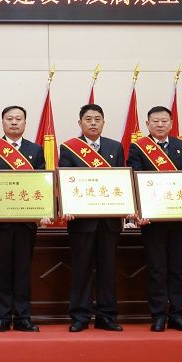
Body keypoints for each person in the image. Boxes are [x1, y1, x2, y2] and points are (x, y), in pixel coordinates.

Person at [0, 105, 49, 332]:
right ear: (2, 122)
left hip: (26, 222)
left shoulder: (35, 149)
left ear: (25, 123)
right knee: (2, 270)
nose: (13, 122)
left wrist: (44, 211)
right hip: (0, 222)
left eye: (18, 119)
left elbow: (42, 183)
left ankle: (22, 317)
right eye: (9, 119)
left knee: (22, 270)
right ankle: (1, 317)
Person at [58, 104, 125, 332]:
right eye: (88, 119)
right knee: (81, 269)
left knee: (108, 269)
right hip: (81, 222)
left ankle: (107, 316)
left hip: (109, 221)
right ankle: (80, 316)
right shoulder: (69, 148)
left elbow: (121, 182)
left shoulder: (115, 147)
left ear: (104, 122)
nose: (93, 123)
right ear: (80, 123)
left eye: (97, 119)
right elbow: (66, 182)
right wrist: (67, 205)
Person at [128, 105, 182, 332]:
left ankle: (177, 315)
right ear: (147, 124)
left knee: (178, 269)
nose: (160, 125)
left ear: (171, 124)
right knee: (156, 269)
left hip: (179, 220)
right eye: (155, 121)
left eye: (164, 121)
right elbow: (134, 181)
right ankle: (158, 315)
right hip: (152, 221)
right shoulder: (138, 147)